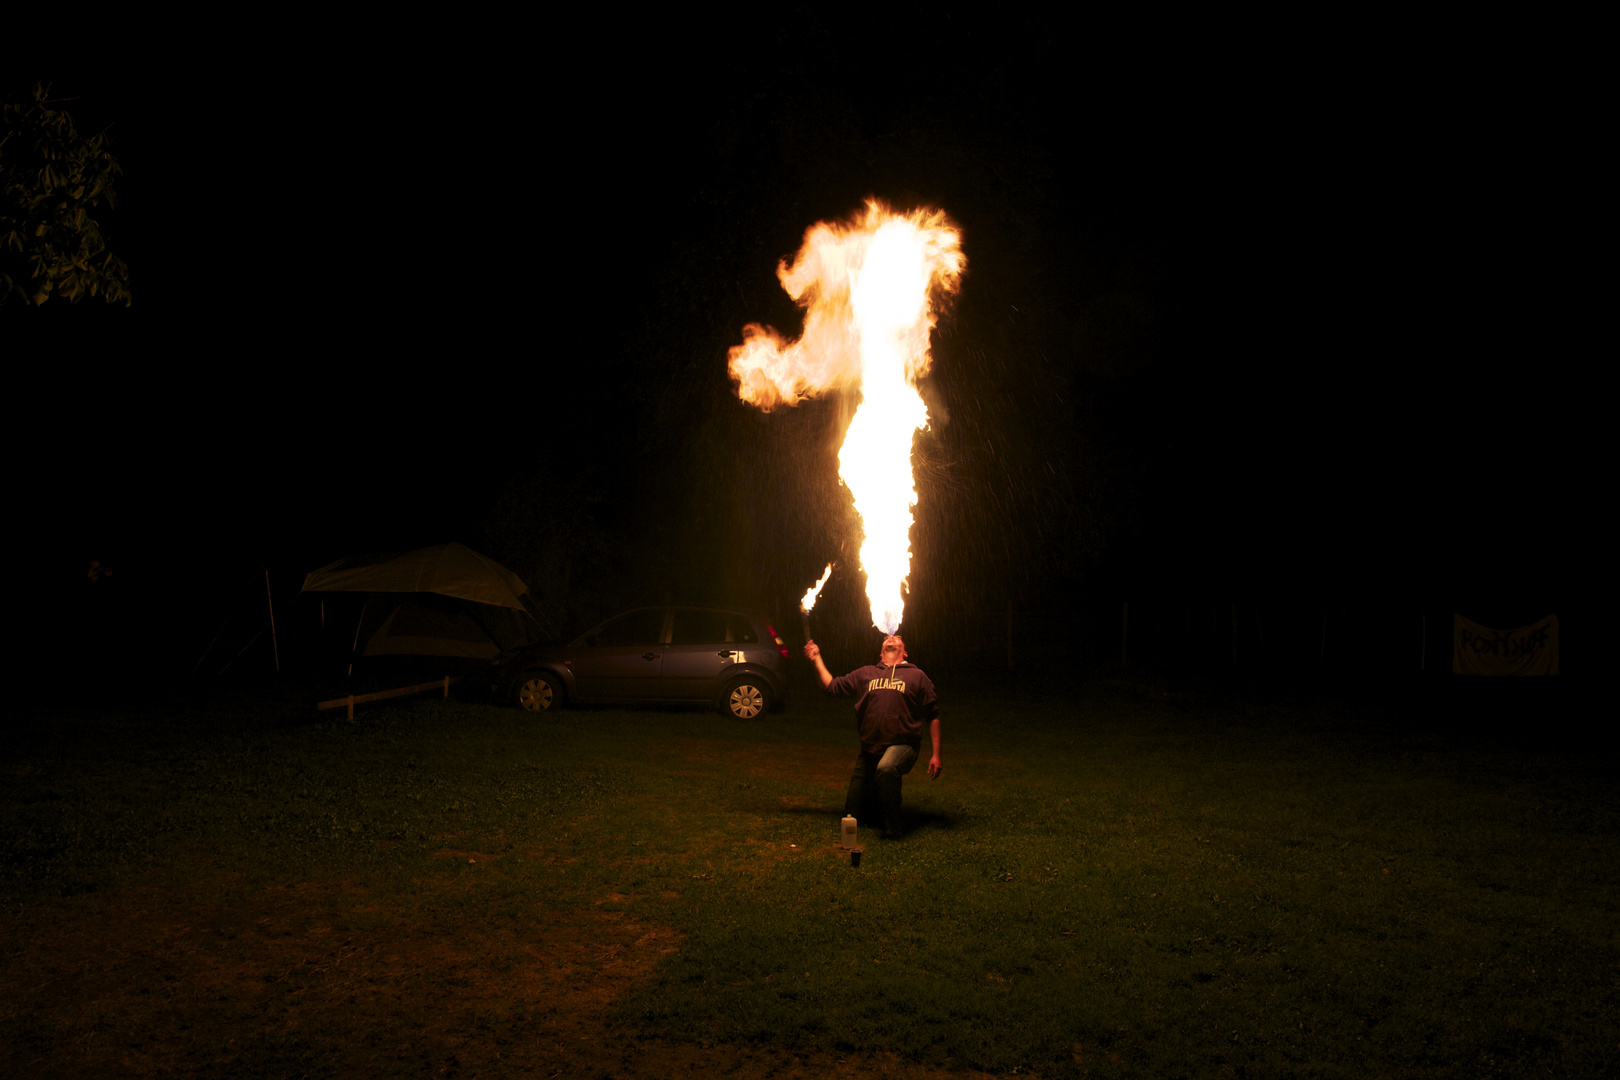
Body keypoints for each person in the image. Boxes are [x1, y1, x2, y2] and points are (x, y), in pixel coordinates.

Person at [803, 634, 940, 839]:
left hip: (903, 745)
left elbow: (933, 714)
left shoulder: (917, 675)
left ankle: (894, 826)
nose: (891, 637)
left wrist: (936, 754)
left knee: (886, 768)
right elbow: (831, 686)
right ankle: (877, 802)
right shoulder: (866, 673)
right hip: (869, 750)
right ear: (880, 652)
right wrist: (817, 658)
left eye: (897, 637)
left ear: (905, 652)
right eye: (887, 638)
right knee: (851, 815)